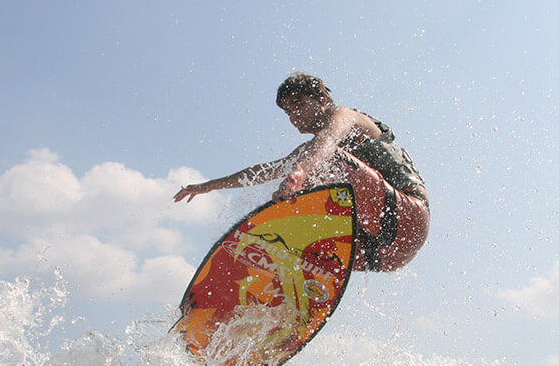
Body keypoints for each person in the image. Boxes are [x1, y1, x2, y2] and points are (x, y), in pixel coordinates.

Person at [174, 73, 429, 272]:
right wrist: (208, 186)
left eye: (297, 104)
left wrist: (299, 174)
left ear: (322, 100)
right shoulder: (310, 151)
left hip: (406, 218)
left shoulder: (346, 116)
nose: (293, 116)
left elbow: (328, 142)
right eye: (287, 111)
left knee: (327, 160)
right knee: (283, 249)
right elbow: (264, 171)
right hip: (379, 253)